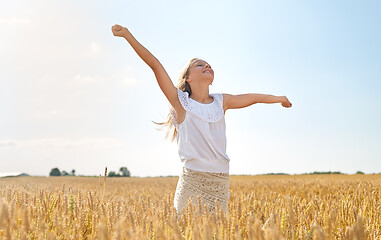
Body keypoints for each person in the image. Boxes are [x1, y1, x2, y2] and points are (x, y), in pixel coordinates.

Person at [111, 24, 292, 219]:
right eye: (200, 65)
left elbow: (253, 97)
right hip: (192, 182)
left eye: (209, 65)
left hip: (220, 184)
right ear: (188, 78)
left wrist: (279, 97)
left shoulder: (222, 102)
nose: (207, 66)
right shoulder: (181, 102)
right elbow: (155, 65)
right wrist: (128, 36)